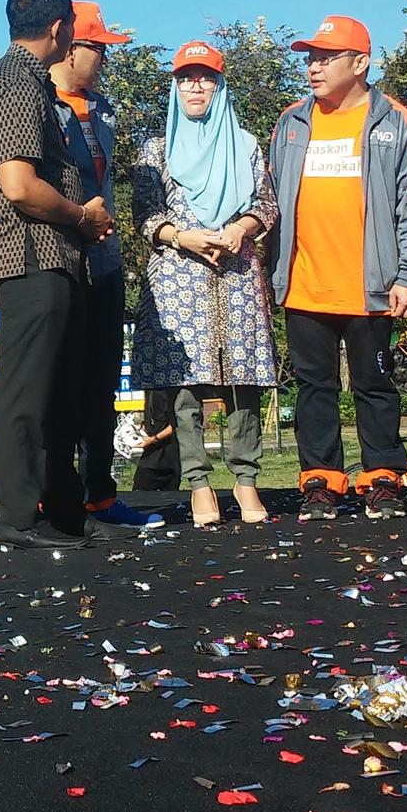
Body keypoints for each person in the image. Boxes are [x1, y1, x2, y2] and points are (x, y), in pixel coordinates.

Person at [0, 0, 119, 550]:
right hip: (30, 255)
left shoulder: (28, 82)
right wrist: (83, 216)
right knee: (26, 391)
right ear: (59, 29)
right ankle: (16, 518)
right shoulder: (17, 85)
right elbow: (19, 186)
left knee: (57, 392)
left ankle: (62, 512)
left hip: (52, 258)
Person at [268, 17, 407, 521]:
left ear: (360, 63)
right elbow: (271, 199)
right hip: (304, 285)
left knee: (375, 387)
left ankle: (383, 479)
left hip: (372, 286)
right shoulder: (290, 122)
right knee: (313, 390)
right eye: (310, 58)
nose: (313, 67)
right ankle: (320, 483)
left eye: (326, 57)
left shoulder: (396, 123)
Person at [132, 40, 280, 525]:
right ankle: (198, 482)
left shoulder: (246, 145)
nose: (196, 87)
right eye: (186, 78)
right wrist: (182, 236)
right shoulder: (156, 150)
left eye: (206, 78)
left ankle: (246, 479)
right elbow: (144, 215)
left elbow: (267, 205)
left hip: (236, 273)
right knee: (185, 385)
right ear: (175, 87)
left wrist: (240, 229)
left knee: (244, 380)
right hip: (179, 277)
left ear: (220, 86)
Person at [53, 0, 163, 529]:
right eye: (99, 48)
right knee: (60, 381)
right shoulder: (38, 103)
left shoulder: (105, 110)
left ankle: (101, 494)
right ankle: (56, 498)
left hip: (106, 258)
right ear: (70, 46)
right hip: (57, 258)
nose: (105, 59)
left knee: (100, 382)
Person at [127, 389, 180, 491]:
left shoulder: (168, 393)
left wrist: (154, 438)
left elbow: (176, 424)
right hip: (152, 453)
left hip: (167, 456)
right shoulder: (149, 391)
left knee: (142, 491)